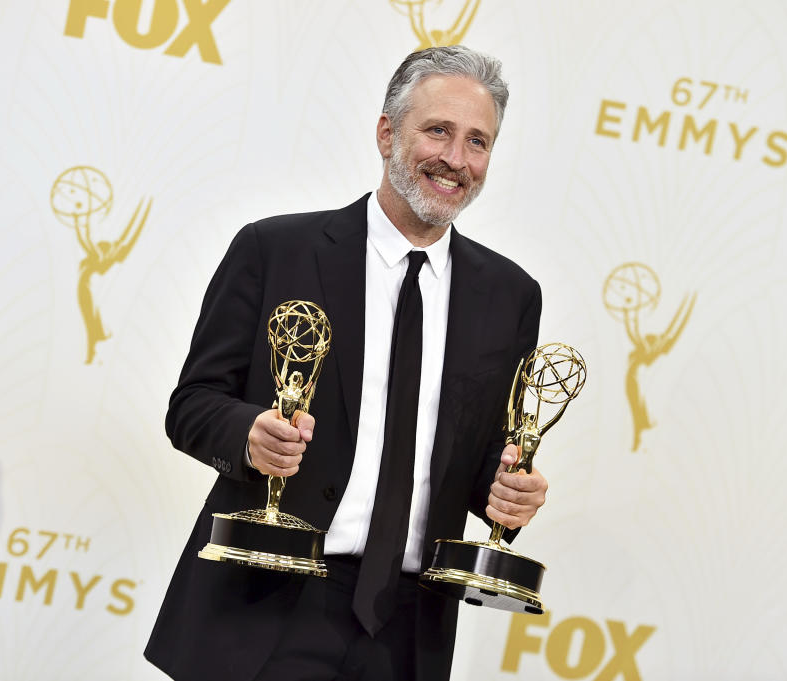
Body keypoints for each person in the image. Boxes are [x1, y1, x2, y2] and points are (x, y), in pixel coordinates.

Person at [145, 45, 546, 681]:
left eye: (479, 142)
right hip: (265, 604)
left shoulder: (511, 296)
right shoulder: (275, 250)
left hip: (408, 631)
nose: (456, 159)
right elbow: (191, 405)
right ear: (387, 132)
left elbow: (478, 462)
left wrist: (510, 494)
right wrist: (248, 435)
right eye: (438, 130)